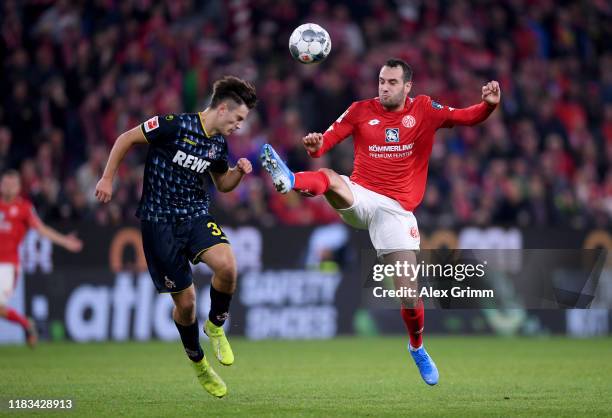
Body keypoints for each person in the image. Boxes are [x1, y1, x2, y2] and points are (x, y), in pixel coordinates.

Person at [260, 58, 500, 386]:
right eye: (381, 81)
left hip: (397, 213)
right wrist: (315, 147)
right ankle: (289, 179)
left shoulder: (425, 110)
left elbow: (465, 116)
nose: (383, 87)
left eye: (391, 82)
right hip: (362, 196)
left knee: (409, 296)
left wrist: (487, 106)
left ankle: (417, 347)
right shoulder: (360, 110)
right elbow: (324, 145)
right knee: (329, 177)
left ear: (407, 87)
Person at [95, 76, 257, 398]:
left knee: (227, 266)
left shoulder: (218, 144)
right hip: (159, 223)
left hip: (195, 215)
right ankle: (198, 362)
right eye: (238, 118)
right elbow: (126, 138)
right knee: (186, 305)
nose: (240, 126)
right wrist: (107, 178)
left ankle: (215, 326)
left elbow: (222, 184)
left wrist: (237, 172)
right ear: (222, 108)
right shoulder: (172, 125)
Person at [0, 169, 83, 347]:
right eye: (5, 184)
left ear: (18, 187)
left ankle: (26, 324)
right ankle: (27, 324)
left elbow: (42, 229)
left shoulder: (24, 208)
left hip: (8, 266)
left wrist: (65, 241)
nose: (8, 188)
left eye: (12, 184)